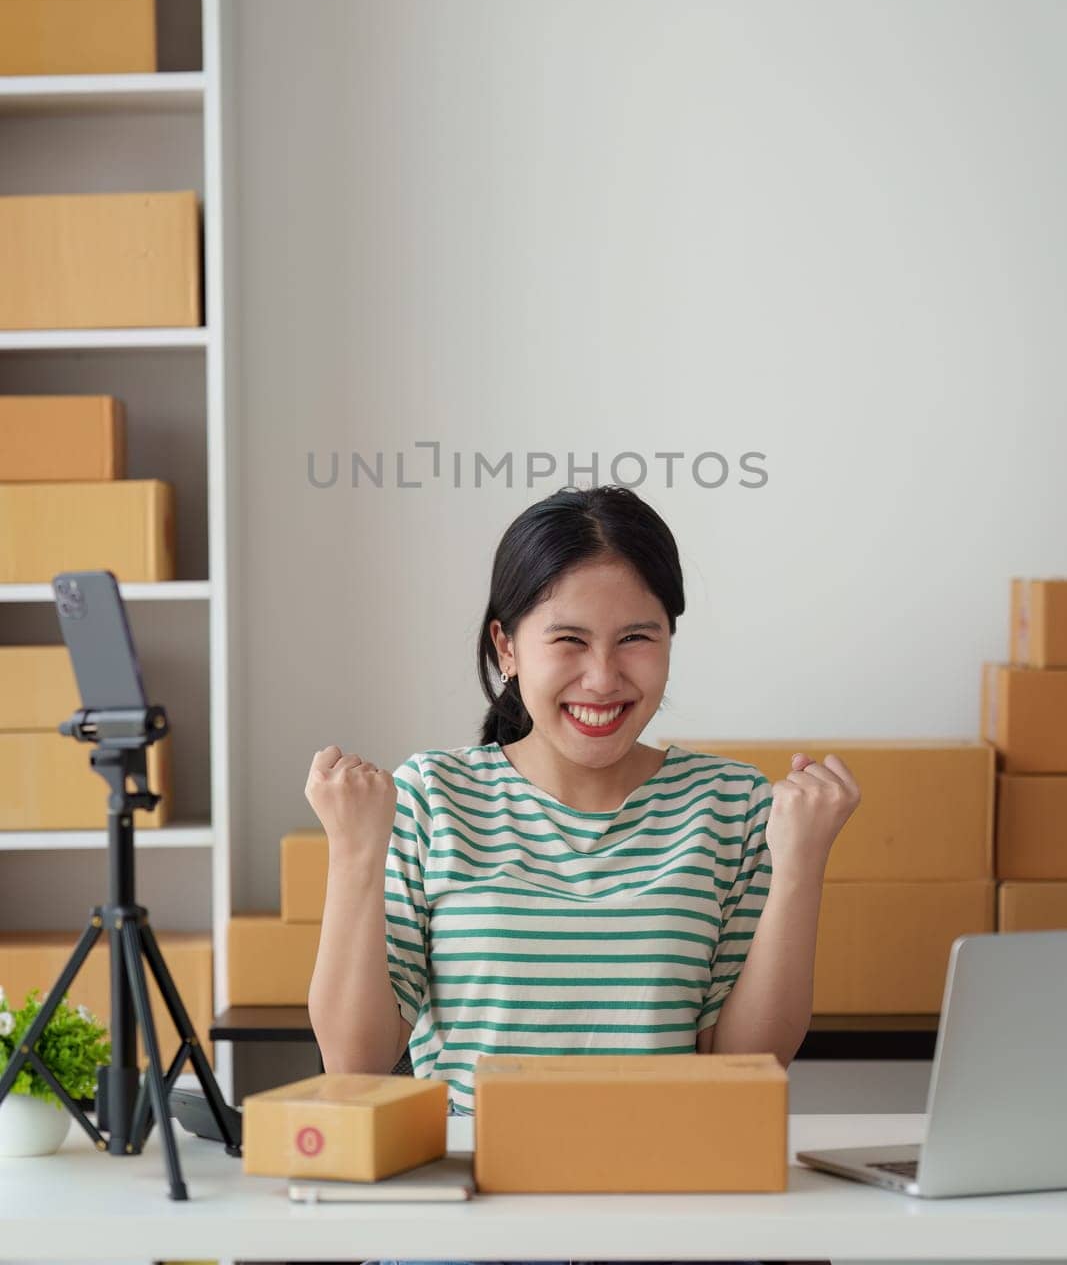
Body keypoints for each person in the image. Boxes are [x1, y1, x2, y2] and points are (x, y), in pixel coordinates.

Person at [305, 484, 856, 1265]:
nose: (602, 678)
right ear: (506, 647)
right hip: (470, 1213)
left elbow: (746, 1065)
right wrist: (356, 853)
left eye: (637, 637)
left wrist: (799, 867)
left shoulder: (728, 802)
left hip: (666, 1208)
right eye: (567, 639)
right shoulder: (430, 794)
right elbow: (354, 1063)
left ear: (670, 640)